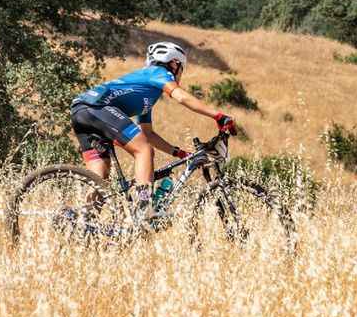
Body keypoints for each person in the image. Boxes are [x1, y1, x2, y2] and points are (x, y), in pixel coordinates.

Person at [70, 41, 236, 220]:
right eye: (181, 69)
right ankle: (144, 206)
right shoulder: (159, 72)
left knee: (100, 177)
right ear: (174, 64)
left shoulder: (146, 92)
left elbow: (148, 134)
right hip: (95, 107)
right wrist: (218, 116)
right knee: (143, 150)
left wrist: (178, 153)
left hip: (81, 112)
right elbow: (180, 96)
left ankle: (81, 221)